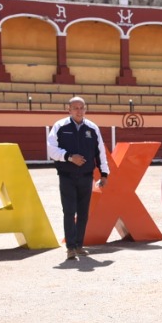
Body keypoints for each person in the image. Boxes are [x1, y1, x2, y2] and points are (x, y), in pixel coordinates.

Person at [46, 96, 109, 261]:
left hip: (86, 177)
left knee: (83, 213)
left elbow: (100, 151)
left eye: (82, 108)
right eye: (75, 108)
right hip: (66, 176)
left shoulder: (92, 128)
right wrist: (69, 157)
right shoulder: (60, 126)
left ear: (85, 109)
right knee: (68, 211)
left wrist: (104, 174)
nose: (79, 111)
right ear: (69, 110)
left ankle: (79, 245)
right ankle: (70, 248)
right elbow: (51, 150)